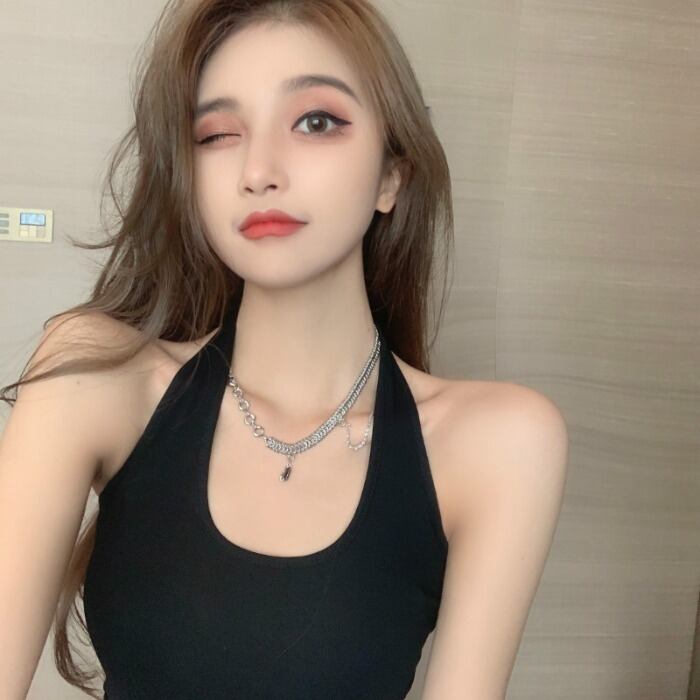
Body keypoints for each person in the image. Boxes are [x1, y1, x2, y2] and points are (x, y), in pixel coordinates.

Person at [0, 1, 569, 698]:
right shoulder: (95, 378)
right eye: (217, 134)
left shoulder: (496, 442)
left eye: (316, 121)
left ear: (391, 176)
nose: (258, 169)